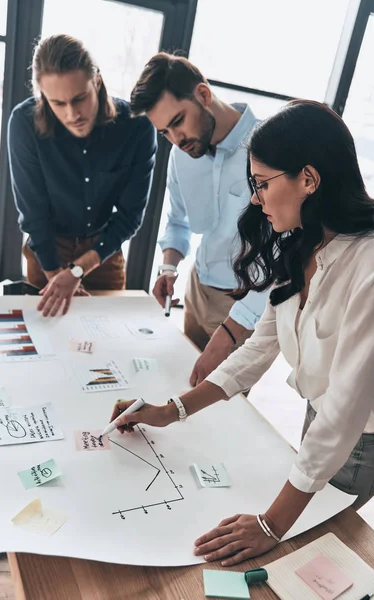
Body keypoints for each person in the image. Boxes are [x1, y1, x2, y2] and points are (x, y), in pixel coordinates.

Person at [108, 100, 374, 565]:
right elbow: (261, 346)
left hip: (362, 442)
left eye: (262, 183)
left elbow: (344, 413)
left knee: (310, 559)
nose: (256, 198)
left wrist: (270, 524)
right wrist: (171, 410)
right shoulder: (300, 242)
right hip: (318, 419)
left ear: (308, 179)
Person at [130, 53, 270, 384]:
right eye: (165, 132)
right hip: (197, 289)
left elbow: (281, 256)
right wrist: (168, 266)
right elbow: (177, 221)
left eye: (178, 121)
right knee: (184, 388)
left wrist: (232, 332)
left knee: (224, 406)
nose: (175, 139)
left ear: (203, 95)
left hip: (245, 305)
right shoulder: (183, 155)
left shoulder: (269, 148)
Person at [8, 34, 156, 317]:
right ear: (42, 95)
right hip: (47, 248)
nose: (71, 113)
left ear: (97, 81)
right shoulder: (24, 124)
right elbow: (33, 213)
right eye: (57, 103)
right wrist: (54, 273)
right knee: (47, 334)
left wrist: (78, 269)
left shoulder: (136, 127)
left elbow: (129, 217)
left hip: (104, 250)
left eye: (79, 98)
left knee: (106, 332)